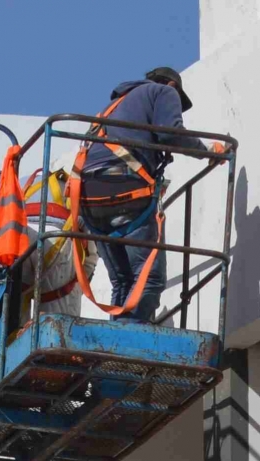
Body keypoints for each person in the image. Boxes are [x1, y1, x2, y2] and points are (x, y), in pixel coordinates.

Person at [75, 66, 208, 320]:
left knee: (123, 281)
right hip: (124, 189)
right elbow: (171, 134)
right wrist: (207, 151)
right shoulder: (164, 92)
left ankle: (115, 343)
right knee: (151, 278)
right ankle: (127, 344)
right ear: (172, 86)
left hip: (88, 200)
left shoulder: (110, 109)